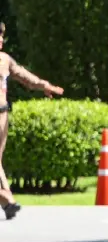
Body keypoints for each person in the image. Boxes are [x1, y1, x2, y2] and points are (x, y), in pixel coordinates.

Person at [0, 22, 64, 219]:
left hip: (2, 116)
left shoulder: (4, 60)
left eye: (2, 36)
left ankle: (7, 201)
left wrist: (45, 85)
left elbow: (25, 76)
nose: (1, 39)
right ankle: (7, 199)